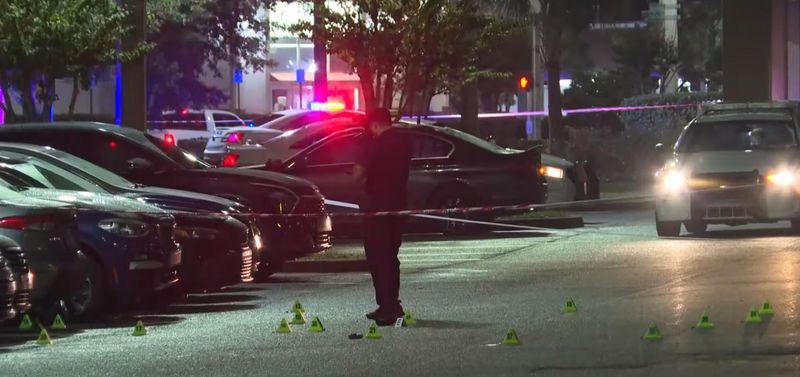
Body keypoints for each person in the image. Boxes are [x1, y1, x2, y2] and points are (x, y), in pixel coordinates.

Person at [353, 108, 412, 326]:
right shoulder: (404, 144)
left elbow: (358, 174)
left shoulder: (373, 145)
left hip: (376, 210)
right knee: (391, 257)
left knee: (378, 259)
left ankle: (386, 307)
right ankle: (392, 304)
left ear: (375, 124)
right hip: (397, 208)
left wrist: (360, 184)